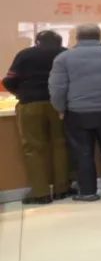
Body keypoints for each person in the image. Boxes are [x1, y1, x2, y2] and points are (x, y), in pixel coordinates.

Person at [48, 24, 101, 201]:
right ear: (100, 36)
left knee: (82, 153)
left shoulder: (63, 58)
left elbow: (57, 88)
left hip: (77, 113)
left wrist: (60, 108)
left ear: (77, 37)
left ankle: (87, 191)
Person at [4, 30, 70, 204]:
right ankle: (62, 189)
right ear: (60, 41)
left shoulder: (25, 54)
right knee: (61, 145)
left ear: (37, 41)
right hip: (58, 104)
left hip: (30, 103)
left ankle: (41, 193)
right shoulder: (65, 54)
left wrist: (21, 93)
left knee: (33, 148)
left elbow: (9, 80)